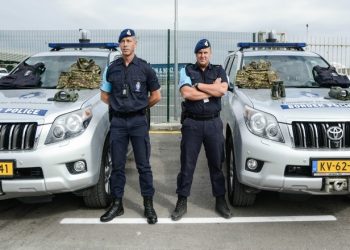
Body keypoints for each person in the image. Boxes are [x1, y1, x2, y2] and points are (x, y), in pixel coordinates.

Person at [100, 29, 161, 224]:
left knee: (144, 166)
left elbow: (156, 95)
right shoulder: (112, 68)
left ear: (135, 43)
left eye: (129, 40)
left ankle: (148, 205)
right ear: (119, 45)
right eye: (122, 41)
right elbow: (104, 96)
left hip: (138, 122)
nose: (125, 44)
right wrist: (120, 107)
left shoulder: (145, 68)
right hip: (118, 122)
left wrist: (139, 107)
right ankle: (117, 204)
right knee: (117, 166)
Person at [171, 39, 231, 221]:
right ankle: (182, 201)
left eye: (206, 52)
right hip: (192, 124)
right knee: (187, 165)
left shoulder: (219, 70)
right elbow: (187, 93)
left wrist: (200, 86)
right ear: (195, 54)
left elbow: (223, 91)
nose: (203, 56)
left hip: (213, 123)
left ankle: (220, 200)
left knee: (216, 164)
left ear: (210, 53)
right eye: (200, 53)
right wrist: (212, 89)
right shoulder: (187, 70)